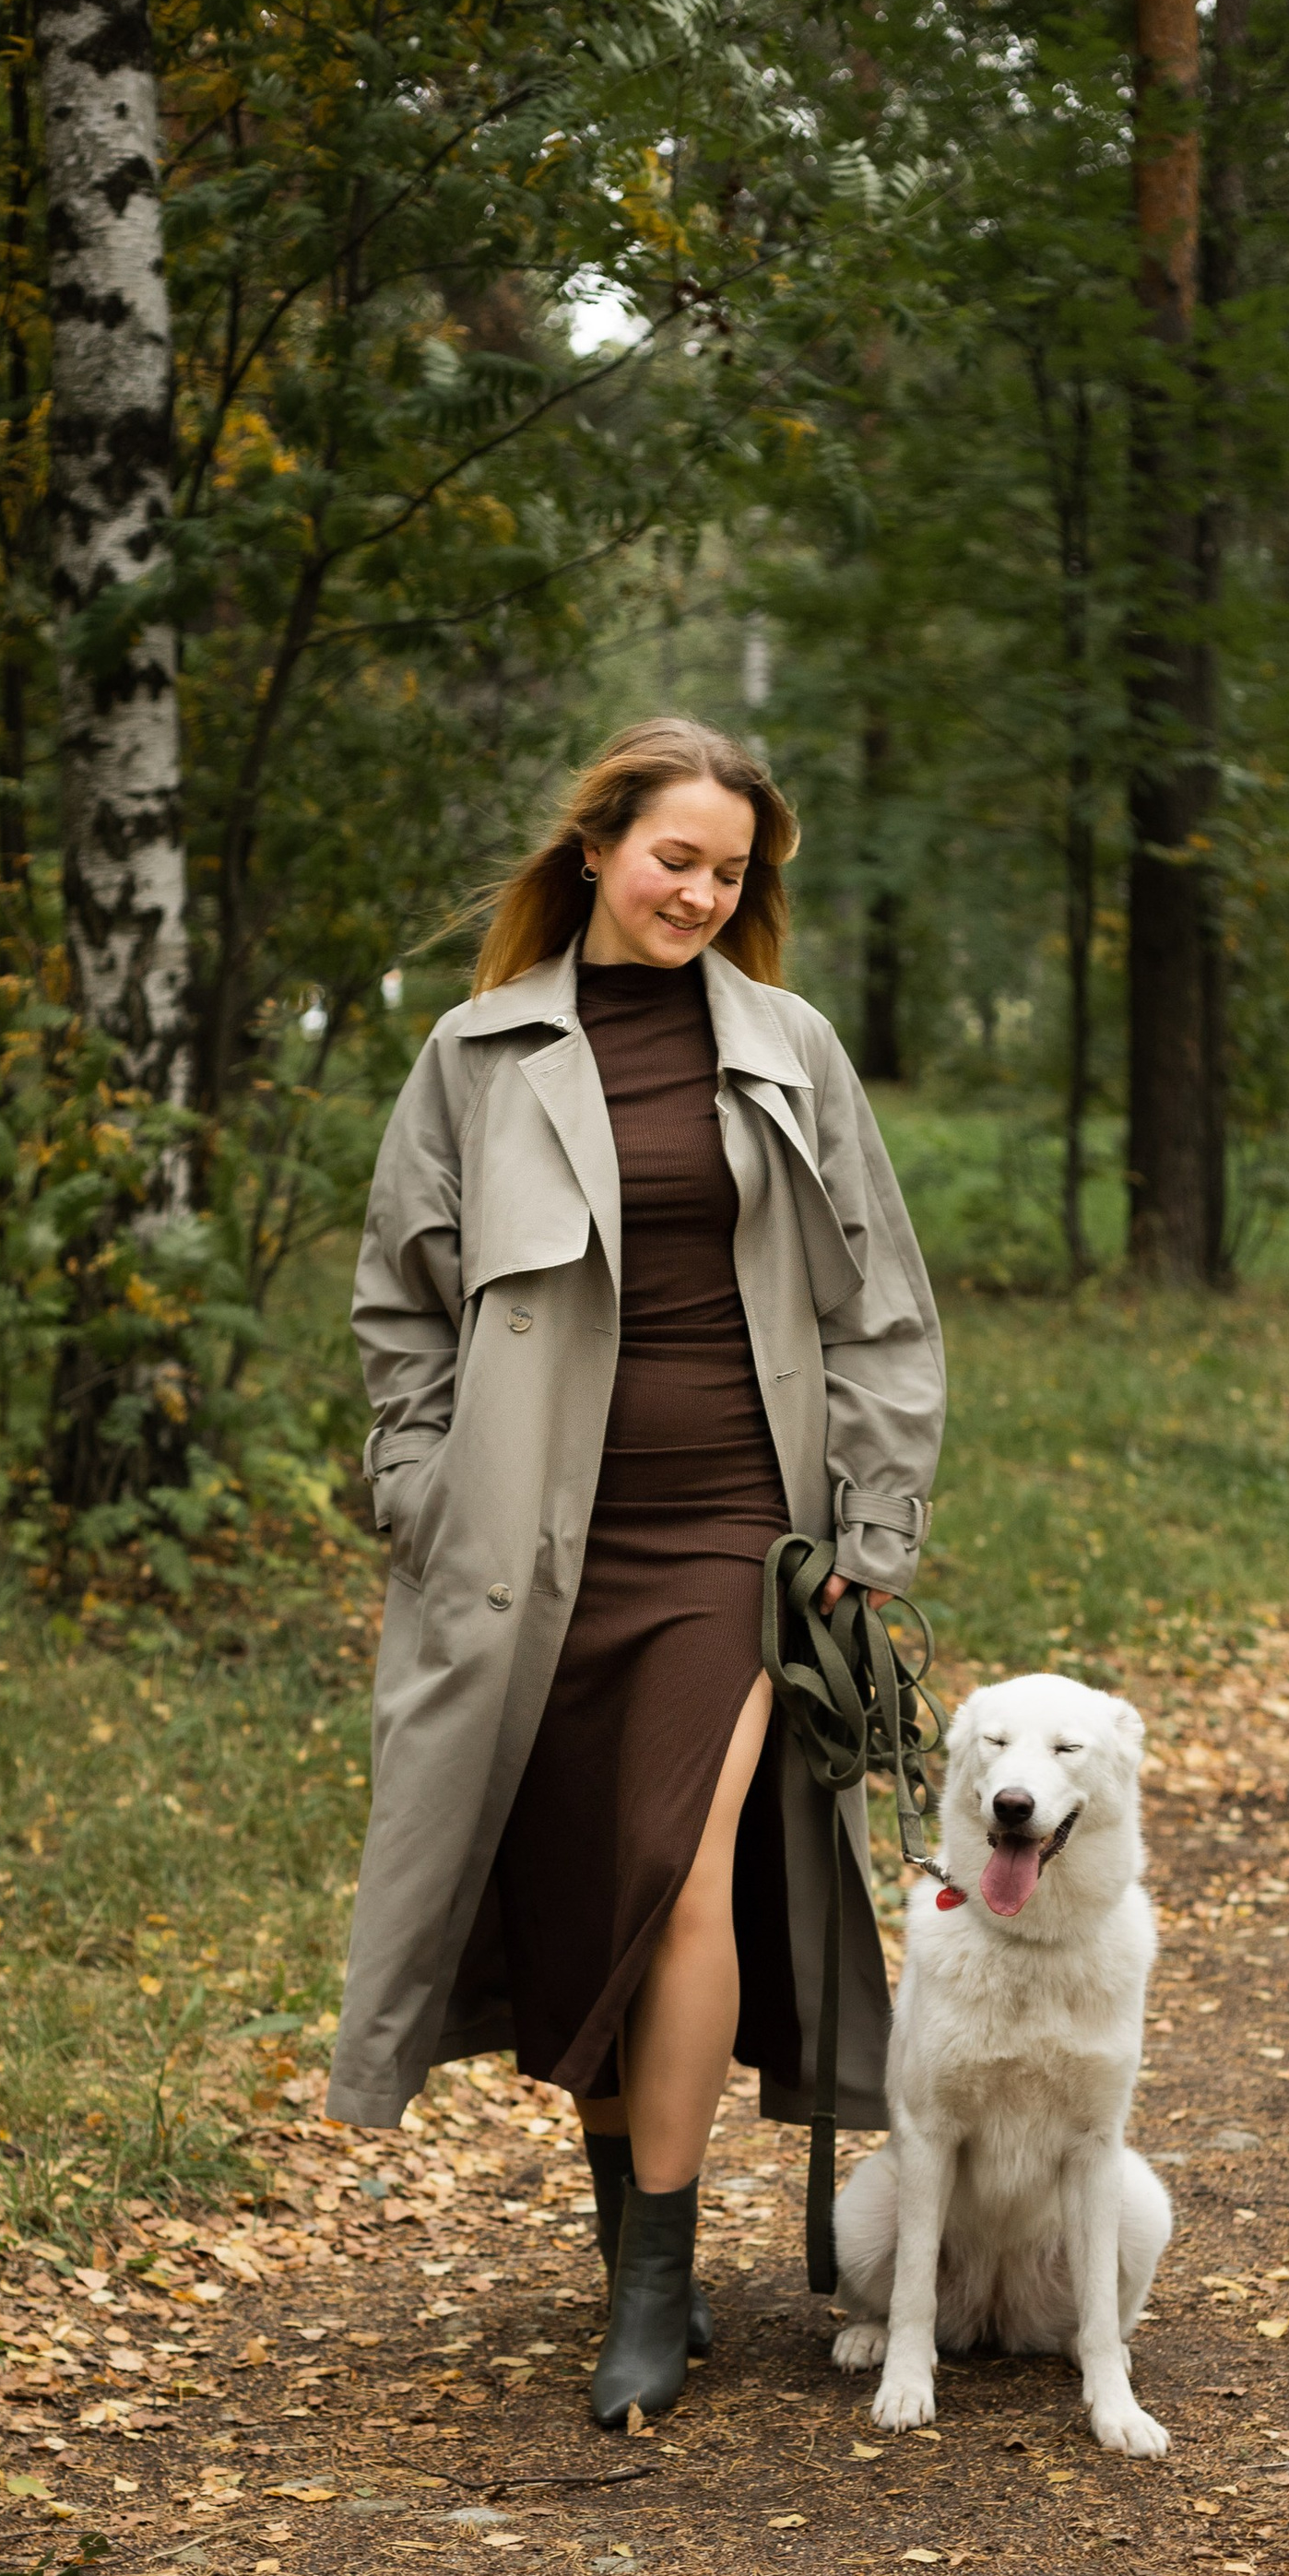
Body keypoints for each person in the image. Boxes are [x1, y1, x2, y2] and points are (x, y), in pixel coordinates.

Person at [325, 716, 945, 2429]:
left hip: (738, 1542)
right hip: (526, 1552)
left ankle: (660, 2289)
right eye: (677, 856)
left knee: (681, 1868)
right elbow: (401, 1306)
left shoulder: (790, 1050)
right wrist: (417, 1490)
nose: (701, 891)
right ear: (597, 848)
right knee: (589, 1883)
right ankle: (626, 2243)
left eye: (730, 872)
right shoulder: (471, 1056)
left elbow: (881, 1306)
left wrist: (871, 1534)